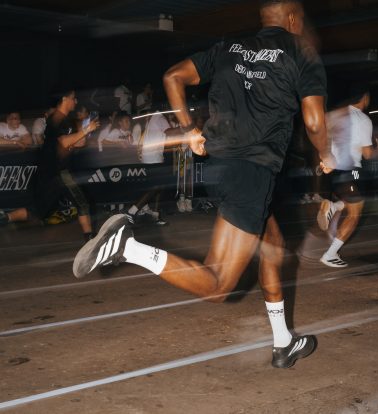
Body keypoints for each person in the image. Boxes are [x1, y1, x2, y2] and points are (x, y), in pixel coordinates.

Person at [73, 0, 335, 368]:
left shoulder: (229, 47)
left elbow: (172, 77)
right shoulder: (301, 53)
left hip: (220, 166)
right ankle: (127, 247)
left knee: (273, 245)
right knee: (219, 285)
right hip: (252, 171)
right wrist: (326, 154)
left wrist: (189, 129)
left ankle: (283, 342)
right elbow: (314, 121)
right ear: (293, 18)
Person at [0, 89, 99, 241]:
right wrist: (86, 130)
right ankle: (90, 239)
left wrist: (85, 130)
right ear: (65, 99)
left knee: (38, 212)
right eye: (73, 98)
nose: (76, 101)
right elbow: (64, 142)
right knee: (82, 203)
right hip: (58, 171)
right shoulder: (57, 119)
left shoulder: (66, 120)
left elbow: (77, 142)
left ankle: (6, 217)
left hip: (49, 172)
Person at [317, 87, 378, 267]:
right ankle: (330, 255)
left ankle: (334, 206)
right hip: (352, 170)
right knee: (354, 215)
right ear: (364, 97)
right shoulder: (362, 119)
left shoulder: (334, 115)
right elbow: (367, 154)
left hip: (333, 171)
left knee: (350, 201)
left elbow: (320, 138)